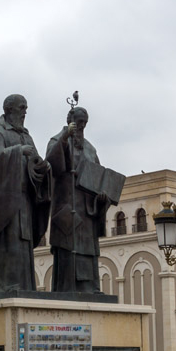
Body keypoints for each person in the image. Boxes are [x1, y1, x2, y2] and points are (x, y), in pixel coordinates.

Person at [0, 94, 51, 294]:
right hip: (6, 201)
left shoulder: (26, 135)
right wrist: (18, 151)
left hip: (25, 200)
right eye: (22, 108)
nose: (25, 112)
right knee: (10, 243)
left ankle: (24, 286)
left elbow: (35, 163)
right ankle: (5, 285)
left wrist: (43, 167)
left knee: (23, 244)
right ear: (9, 110)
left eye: (26, 108)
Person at [45, 107, 112, 293]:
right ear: (70, 120)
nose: (82, 125)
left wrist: (102, 197)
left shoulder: (90, 149)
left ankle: (90, 288)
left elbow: (98, 175)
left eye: (85, 122)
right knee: (68, 248)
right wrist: (65, 137)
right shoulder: (57, 140)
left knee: (88, 249)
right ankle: (67, 288)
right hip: (67, 206)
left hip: (88, 209)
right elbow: (50, 165)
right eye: (79, 121)